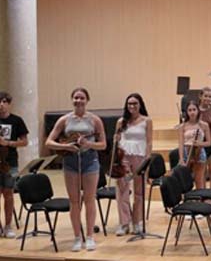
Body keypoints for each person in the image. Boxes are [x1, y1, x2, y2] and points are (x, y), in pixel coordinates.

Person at [46, 87, 107, 252]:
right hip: (70, 161)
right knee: (74, 201)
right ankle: (76, 237)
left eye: (82, 98)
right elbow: (49, 142)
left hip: (90, 160)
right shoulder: (64, 120)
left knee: (89, 199)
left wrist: (89, 144)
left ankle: (89, 237)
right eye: (76, 98)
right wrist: (65, 146)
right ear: (72, 99)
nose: (78, 101)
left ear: (87, 100)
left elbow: (103, 144)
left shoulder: (95, 120)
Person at [113, 93, 153, 236]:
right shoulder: (121, 121)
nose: (132, 106)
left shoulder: (147, 121)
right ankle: (124, 223)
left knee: (139, 191)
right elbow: (117, 141)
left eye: (135, 103)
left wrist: (147, 161)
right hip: (124, 157)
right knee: (122, 190)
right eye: (129, 104)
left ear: (140, 104)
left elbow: (149, 142)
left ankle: (137, 222)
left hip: (140, 156)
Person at [0, 91, 28, 239]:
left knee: (8, 195)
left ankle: (8, 226)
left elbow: (24, 141)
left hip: (10, 163)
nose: (1, 105)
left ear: (9, 104)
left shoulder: (17, 121)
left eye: (5, 102)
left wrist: (8, 143)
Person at [178, 101, 211, 189]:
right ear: (187, 112)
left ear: (198, 111)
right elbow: (181, 144)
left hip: (199, 152)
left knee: (199, 180)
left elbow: (209, 143)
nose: (192, 112)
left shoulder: (204, 125)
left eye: (194, 109)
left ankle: (199, 200)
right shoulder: (182, 126)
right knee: (186, 180)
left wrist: (199, 143)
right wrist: (181, 159)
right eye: (190, 110)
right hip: (186, 152)